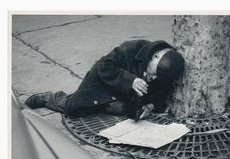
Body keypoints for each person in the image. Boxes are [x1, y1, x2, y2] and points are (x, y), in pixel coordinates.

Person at [25, 39, 185, 119]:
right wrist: (131, 81)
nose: (154, 78)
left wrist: (150, 106)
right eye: (154, 73)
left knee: (121, 110)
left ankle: (109, 105)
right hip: (102, 83)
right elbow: (104, 67)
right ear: (155, 57)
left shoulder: (167, 66)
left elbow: (164, 90)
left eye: (157, 77)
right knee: (74, 108)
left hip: (122, 94)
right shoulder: (131, 48)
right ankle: (49, 98)